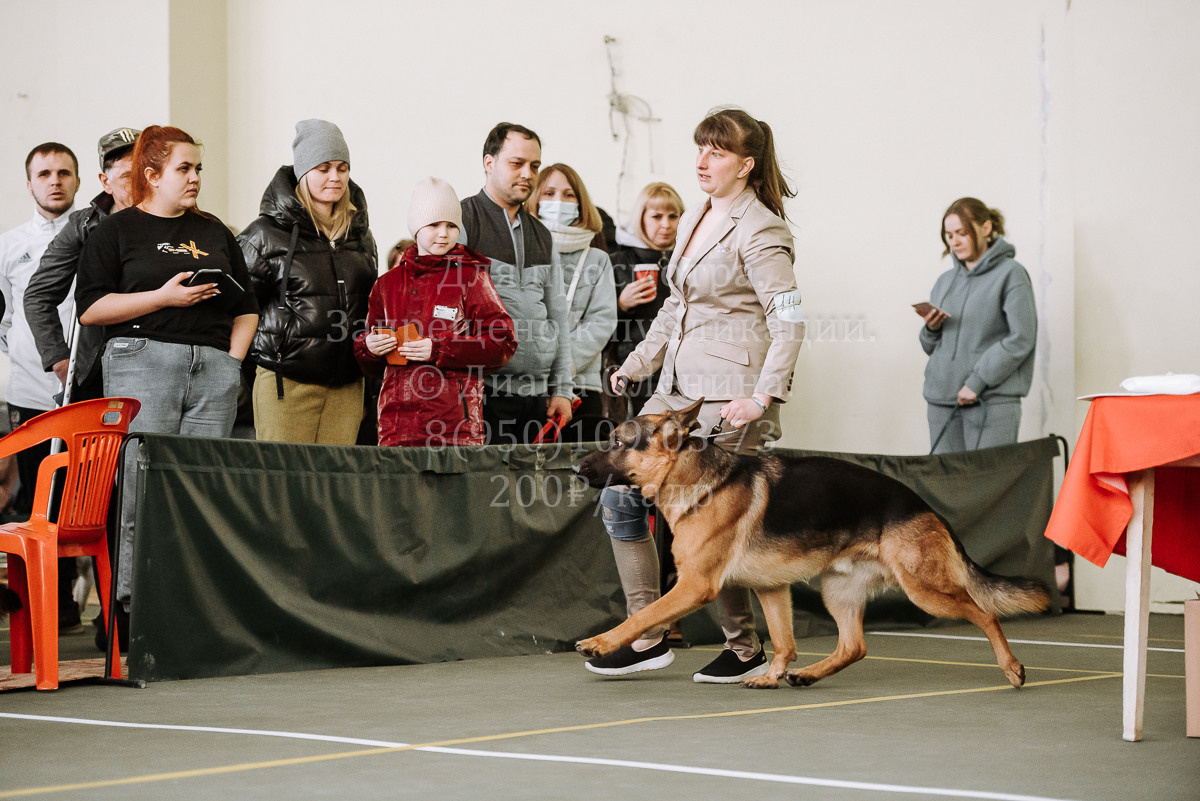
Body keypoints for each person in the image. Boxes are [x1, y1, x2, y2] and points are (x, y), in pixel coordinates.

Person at [595, 108, 806, 683]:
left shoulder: (762, 229)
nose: (702, 160)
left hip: (729, 398)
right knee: (620, 498)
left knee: (708, 528)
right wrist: (636, 365)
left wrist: (763, 398)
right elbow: (675, 306)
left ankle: (742, 648)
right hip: (671, 393)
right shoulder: (698, 217)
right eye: (700, 148)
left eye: (716, 152)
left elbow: (789, 321)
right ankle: (649, 632)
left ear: (746, 165)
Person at [75, 125, 259, 608]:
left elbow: (248, 309)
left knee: (201, 487)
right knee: (142, 485)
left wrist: (230, 363)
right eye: (184, 168)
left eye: (198, 168)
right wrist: (163, 296)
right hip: (142, 361)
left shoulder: (215, 230)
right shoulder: (115, 230)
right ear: (152, 175)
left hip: (212, 366)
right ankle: (134, 607)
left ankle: (193, 606)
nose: (195, 177)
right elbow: (90, 309)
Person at [238, 120, 377, 445]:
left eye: (342, 168)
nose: (335, 177)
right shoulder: (264, 234)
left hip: (346, 385)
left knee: (333, 486)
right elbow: (237, 309)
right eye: (324, 168)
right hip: (287, 384)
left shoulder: (359, 234)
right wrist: (265, 366)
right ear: (303, 172)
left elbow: (369, 307)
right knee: (282, 485)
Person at [355, 177, 516, 447]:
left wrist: (439, 349)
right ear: (416, 227)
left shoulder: (471, 278)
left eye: (452, 225)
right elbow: (369, 363)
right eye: (433, 224)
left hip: (455, 429)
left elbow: (503, 343)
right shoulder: (386, 284)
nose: (443, 233)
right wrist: (368, 346)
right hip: (397, 428)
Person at [0, 141, 81, 630]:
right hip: (30, 394)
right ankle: (50, 600)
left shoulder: (98, 237)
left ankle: (73, 596)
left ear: (78, 181)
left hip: (87, 393)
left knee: (81, 497)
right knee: (38, 499)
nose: (55, 181)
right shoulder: (8, 245)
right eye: (45, 173)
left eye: (64, 173)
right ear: (28, 183)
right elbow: (6, 320)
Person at [459, 122, 574, 444]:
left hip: (537, 399)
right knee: (485, 491)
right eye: (517, 163)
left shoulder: (542, 235)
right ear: (489, 162)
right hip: (482, 393)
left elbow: (557, 316)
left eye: (534, 165)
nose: (528, 173)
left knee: (528, 494)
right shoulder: (461, 221)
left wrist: (562, 390)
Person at [26, 128, 140, 405]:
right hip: (99, 366)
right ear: (106, 180)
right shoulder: (84, 225)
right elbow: (39, 295)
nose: (137, 183)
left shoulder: (177, 219)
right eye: (126, 175)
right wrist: (59, 359)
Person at [918, 198, 1036, 454]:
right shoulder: (944, 281)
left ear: (986, 228)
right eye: (949, 235)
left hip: (990, 403)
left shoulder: (1012, 274)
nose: (955, 242)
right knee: (944, 489)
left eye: (962, 233)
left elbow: (1021, 338)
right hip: (941, 403)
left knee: (989, 490)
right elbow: (930, 347)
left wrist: (977, 381)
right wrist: (932, 329)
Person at [525, 164, 617, 442]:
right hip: (529, 384)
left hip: (581, 386)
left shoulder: (597, 259)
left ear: (580, 203)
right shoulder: (523, 250)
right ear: (535, 201)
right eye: (549, 193)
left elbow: (601, 321)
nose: (558, 202)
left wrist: (564, 367)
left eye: (568, 195)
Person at [606, 181, 685, 421]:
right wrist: (620, 305)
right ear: (640, 218)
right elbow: (596, 327)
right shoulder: (617, 260)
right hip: (633, 372)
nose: (666, 224)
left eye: (674, 216)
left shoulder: (688, 260)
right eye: (657, 216)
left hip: (682, 372)